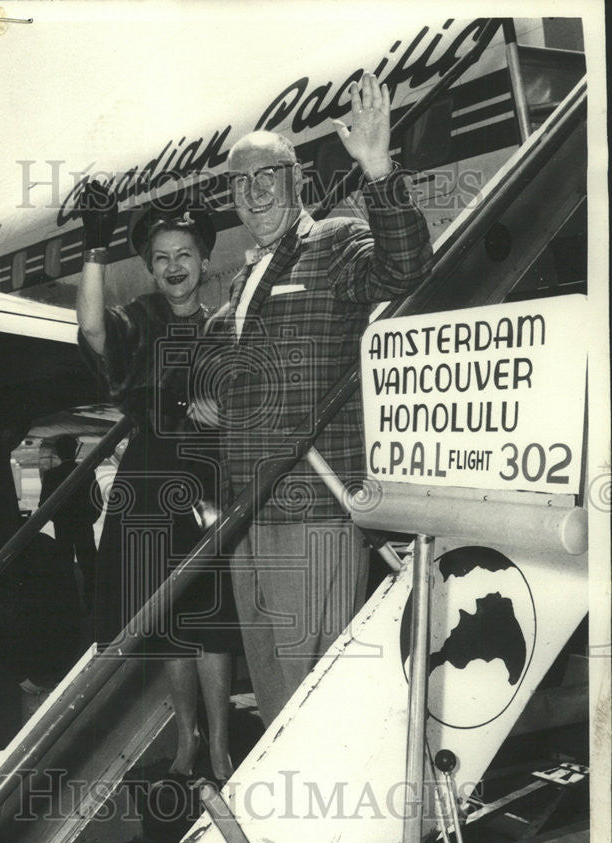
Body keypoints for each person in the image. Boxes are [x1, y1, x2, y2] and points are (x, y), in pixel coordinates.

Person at [211, 74, 433, 727]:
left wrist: (377, 170)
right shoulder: (246, 276)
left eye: (266, 177)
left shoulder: (333, 241)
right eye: (239, 182)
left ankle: (332, 817)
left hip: (311, 510)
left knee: (315, 689)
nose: (252, 194)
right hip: (249, 514)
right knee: (277, 690)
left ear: (296, 180)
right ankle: (288, 814)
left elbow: (405, 270)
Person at [76, 186, 237, 783]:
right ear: (150, 267)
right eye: (162, 257)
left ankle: (220, 746)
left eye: (185, 255)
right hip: (150, 479)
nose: (174, 267)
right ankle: (187, 740)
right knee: (169, 621)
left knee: (212, 619)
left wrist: (227, 412)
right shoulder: (139, 321)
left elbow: (256, 399)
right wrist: (96, 245)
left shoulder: (228, 324)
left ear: (203, 262)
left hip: (211, 480)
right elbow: (93, 329)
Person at [38, 434, 99, 611]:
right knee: (89, 567)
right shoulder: (87, 472)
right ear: (74, 450)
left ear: (57, 452)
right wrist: (89, 520)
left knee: (64, 568)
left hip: (63, 527)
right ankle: (92, 603)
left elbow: (44, 505)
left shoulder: (51, 475)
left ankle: (70, 605)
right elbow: (96, 501)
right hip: (84, 527)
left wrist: (58, 518)